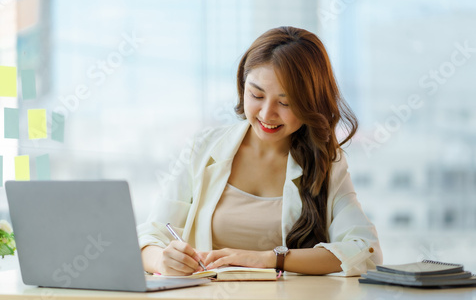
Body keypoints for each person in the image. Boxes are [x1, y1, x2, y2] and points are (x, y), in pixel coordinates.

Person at [138, 26, 382, 276]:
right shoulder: (202, 149)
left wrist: (270, 259)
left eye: (285, 103)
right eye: (256, 94)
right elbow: (149, 237)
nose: (267, 114)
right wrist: (161, 261)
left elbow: (364, 251)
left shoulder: (327, 163)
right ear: (243, 87)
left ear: (311, 103)